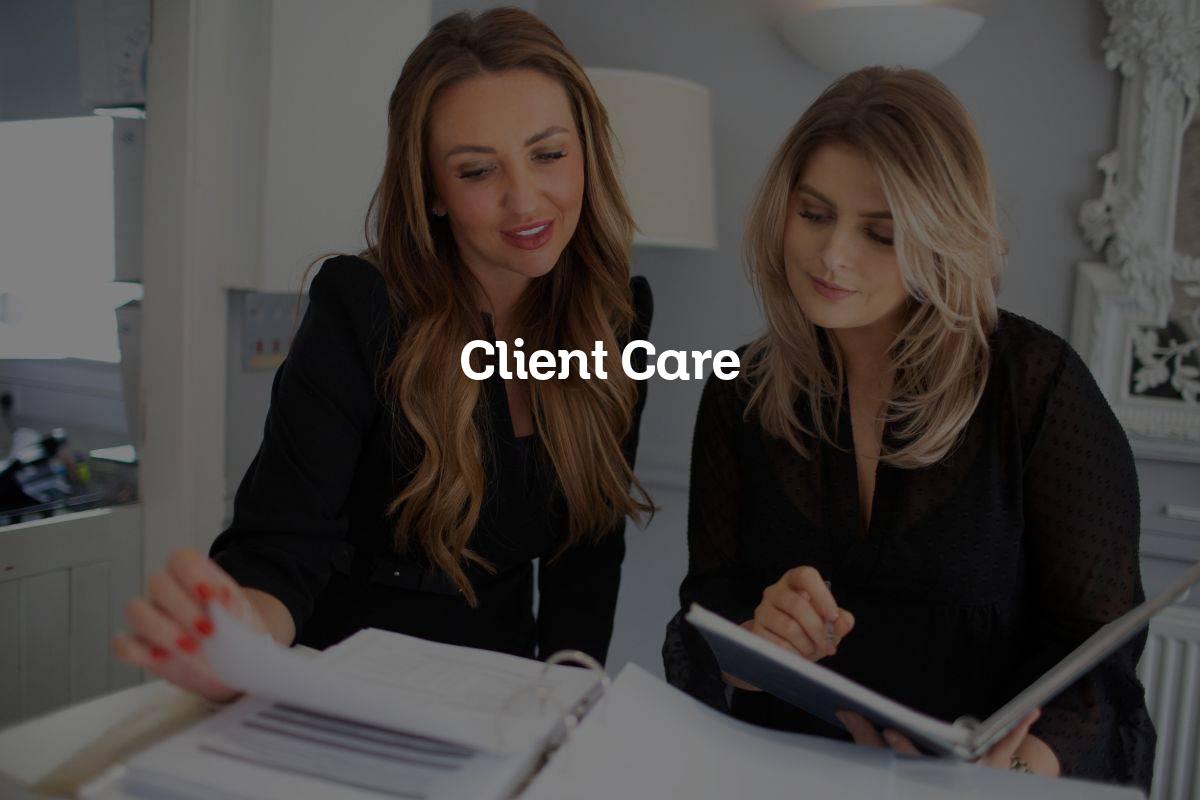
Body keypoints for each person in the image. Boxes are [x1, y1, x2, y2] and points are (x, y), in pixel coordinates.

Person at [113, 7, 653, 703]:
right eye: (476, 170)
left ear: (587, 151)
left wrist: (571, 712)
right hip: (343, 690)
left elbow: (587, 558)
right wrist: (241, 635)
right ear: (432, 191)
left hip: (504, 702)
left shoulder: (618, 318)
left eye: (548, 155)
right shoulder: (360, 305)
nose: (524, 200)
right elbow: (281, 549)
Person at [663, 66, 1154, 791]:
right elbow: (708, 608)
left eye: (881, 234)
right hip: (791, 773)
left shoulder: (1036, 388)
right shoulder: (741, 391)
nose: (833, 255)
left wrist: (1013, 775)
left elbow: (1099, 654)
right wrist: (755, 639)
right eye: (814, 214)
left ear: (941, 239)